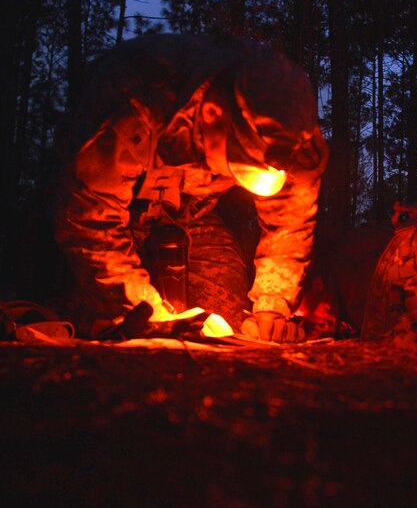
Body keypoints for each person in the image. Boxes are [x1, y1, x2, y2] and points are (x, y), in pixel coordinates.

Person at [53, 33, 328, 342]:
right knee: (96, 320)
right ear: (212, 115)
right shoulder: (141, 101)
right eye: (247, 166)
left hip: (189, 218)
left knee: (226, 322)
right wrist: (146, 310)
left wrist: (272, 306)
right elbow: (89, 218)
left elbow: (289, 221)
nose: (264, 179)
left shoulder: (287, 127)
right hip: (101, 216)